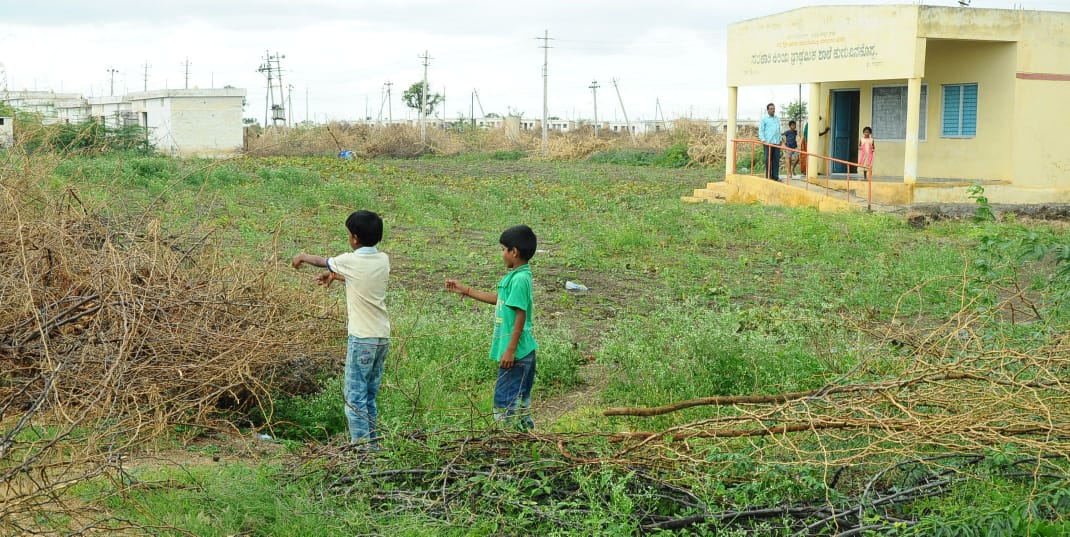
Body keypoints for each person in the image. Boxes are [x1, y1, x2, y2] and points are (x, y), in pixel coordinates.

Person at [292, 210, 390, 448]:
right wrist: (335, 277)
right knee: (368, 397)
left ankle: (361, 452)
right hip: (381, 338)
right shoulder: (383, 259)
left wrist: (302, 256)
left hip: (362, 338)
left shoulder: (351, 260)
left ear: (354, 237)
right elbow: (361, 279)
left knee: (354, 398)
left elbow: (321, 261)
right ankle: (372, 447)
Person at [445, 225, 538, 431]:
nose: (501, 254)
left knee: (505, 403)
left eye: (503, 249)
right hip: (521, 351)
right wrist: (466, 290)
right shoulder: (516, 276)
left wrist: (510, 350)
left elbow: (520, 315)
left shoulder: (521, 279)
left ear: (514, 252)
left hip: (517, 352)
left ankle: (507, 441)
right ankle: (524, 439)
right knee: (520, 402)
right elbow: (500, 300)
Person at [758, 103, 782, 181]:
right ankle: (768, 177)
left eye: (774, 108)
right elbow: (761, 130)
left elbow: (778, 130)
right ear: (768, 110)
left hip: (776, 143)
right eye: (771, 109)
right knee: (768, 160)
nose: (773, 110)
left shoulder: (777, 118)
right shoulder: (764, 119)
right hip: (768, 143)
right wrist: (763, 140)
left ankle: (775, 177)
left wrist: (780, 139)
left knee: (776, 160)